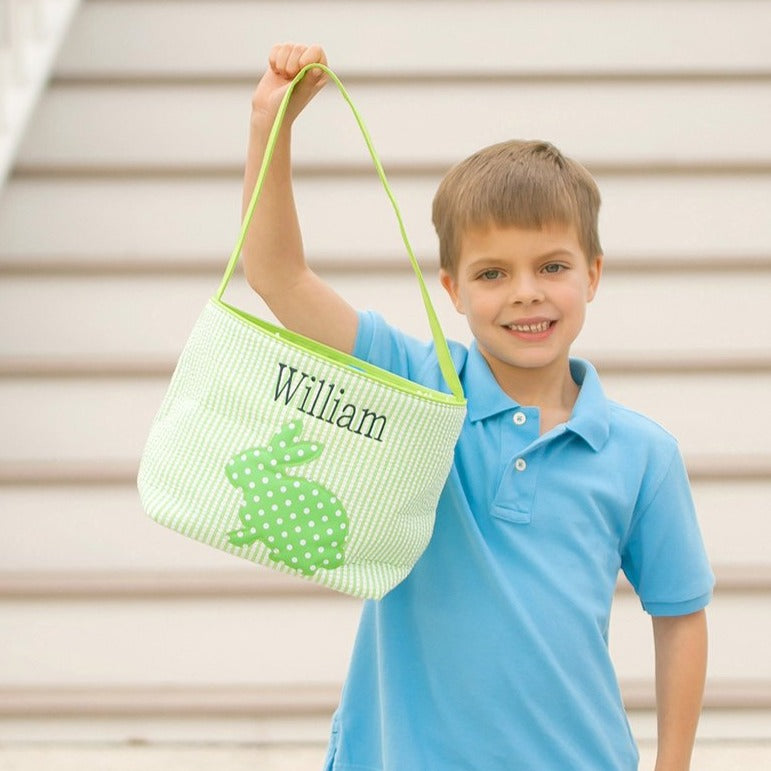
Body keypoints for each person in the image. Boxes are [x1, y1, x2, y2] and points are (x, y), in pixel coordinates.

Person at [241, 43, 714, 771]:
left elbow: (679, 616)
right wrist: (267, 125)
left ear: (591, 274)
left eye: (551, 266)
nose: (525, 292)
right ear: (453, 290)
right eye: (492, 273)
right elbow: (278, 276)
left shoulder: (641, 454)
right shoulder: (416, 386)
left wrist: (672, 766)